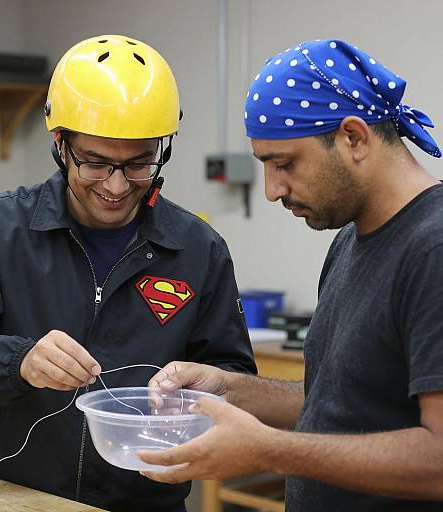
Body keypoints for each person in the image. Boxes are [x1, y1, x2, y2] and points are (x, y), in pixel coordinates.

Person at [0, 35, 256, 512]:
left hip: (148, 502)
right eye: (96, 163)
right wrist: (18, 361)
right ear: (60, 145)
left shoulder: (199, 249)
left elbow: (233, 379)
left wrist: (192, 402)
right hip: (17, 498)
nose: (117, 186)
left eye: (139, 163)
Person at [139, 39, 443, 511]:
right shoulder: (349, 243)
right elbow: (342, 405)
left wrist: (269, 448)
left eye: (284, 164)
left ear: (354, 138)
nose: (272, 190)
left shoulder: (433, 249)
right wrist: (230, 390)